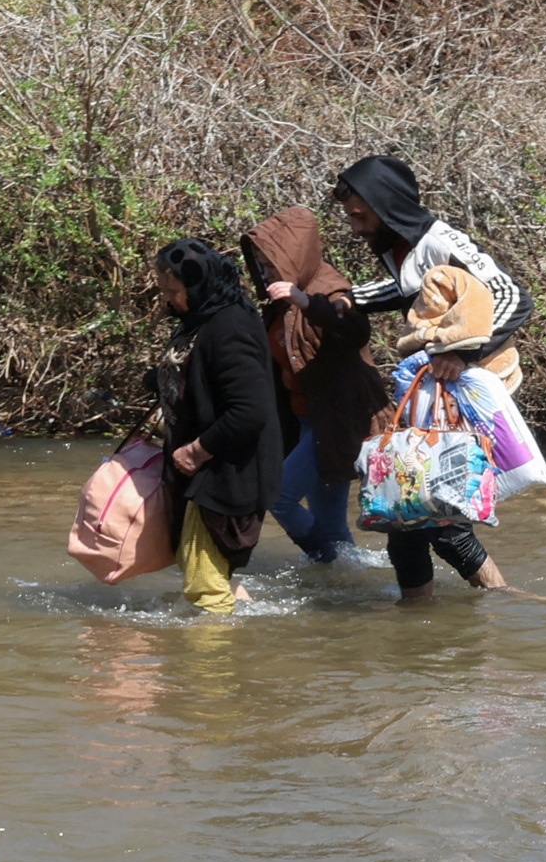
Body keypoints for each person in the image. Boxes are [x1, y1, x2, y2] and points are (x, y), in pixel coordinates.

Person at [241, 208, 385, 563]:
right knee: (333, 526)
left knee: (279, 497)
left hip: (338, 422)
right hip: (308, 421)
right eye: (260, 263)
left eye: (270, 262)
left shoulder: (329, 289)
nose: (264, 271)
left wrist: (306, 303)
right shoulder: (280, 302)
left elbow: (355, 329)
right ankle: (346, 588)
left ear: (291, 256)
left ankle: (327, 562)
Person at [150, 238, 283, 613]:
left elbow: (249, 410)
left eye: (173, 290)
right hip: (205, 469)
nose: (168, 299)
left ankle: (211, 668)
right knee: (203, 568)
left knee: (205, 588)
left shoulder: (229, 326)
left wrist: (196, 450)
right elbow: (198, 376)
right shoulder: (201, 319)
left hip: (228, 470)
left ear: (197, 285)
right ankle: (249, 641)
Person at [368, 274, 514, 603]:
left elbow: (515, 302)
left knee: (451, 535)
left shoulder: (460, 349)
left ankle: (505, 599)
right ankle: (416, 612)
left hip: (446, 447)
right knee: (404, 534)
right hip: (425, 447)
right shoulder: (430, 351)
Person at [330, 155, 528, 376]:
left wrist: (462, 354)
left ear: (387, 206)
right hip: (442, 376)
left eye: (361, 216)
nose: (356, 227)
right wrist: (353, 299)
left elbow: (512, 295)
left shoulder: (440, 241)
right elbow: (414, 289)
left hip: (483, 379)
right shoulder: (398, 246)